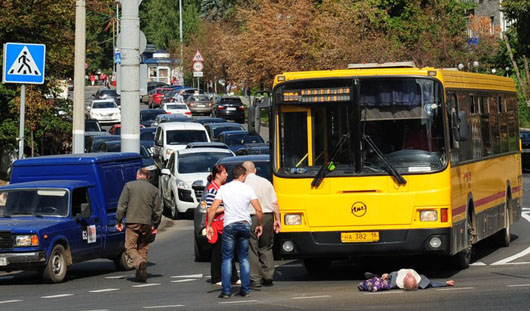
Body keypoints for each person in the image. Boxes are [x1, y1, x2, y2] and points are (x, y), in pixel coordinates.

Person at [206, 165, 263, 299]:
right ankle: (245, 289)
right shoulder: (248, 189)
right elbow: (258, 209)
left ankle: (226, 291)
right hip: (244, 225)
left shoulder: (224, 189)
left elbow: (212, 208)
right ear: (242, 176)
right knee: (243, 258)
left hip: (229, 225)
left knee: (227, 258)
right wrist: (260, 224)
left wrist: (209, 225)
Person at [116, 168, 162, 282]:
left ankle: (139, 262)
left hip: (132, 222)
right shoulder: (154, 190)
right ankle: (141, 273)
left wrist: (119, 220)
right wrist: (155, 225)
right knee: (143, 247)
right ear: (148, 177)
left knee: (130, 247)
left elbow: (122, 205)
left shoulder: (129, 186)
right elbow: (158, 211)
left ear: (138, 175)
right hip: (147, 223)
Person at [242, 161, 281, 288]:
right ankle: (268, 276)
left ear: (243, 172)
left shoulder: (243, 185)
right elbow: (275, 203)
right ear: (255, 170)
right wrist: (277, 219)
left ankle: (255, 278)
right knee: (266, 247)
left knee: (251, 248)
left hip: (251, 216)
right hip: (268, 216)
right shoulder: (266, 182)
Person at [205, 164, 240, 286]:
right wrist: (226, 207)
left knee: (227, 250)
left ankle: (233, 277)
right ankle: (217, 277)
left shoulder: (222, 187)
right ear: (217, 175)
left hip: (224, 224)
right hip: (216, 225)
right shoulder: (213, 189)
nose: (227, 175)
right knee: (218, 252)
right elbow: (210, 209)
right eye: (224, 173)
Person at [358, 268, 455, 292]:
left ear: (405, 279)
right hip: (396, 275)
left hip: (394, 275)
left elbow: (393, 275)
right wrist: (446, 282)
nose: (409, 274)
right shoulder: (420, 281)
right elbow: (432, 284)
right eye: (410, 276)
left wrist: (385, 276)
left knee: (382, 280)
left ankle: (374, 276)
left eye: (409, 276)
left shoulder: (395, 282)